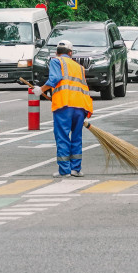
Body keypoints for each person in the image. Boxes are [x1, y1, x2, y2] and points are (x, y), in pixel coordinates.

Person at [33, 40, 93, 178]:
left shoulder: (56, 61)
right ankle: (75, 169)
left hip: (64, 105)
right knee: (76, 137)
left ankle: (65, 170)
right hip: (81, 106)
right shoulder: (79, 67)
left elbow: (55, 78)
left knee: (63, 137)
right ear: (70, 53)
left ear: (57, 52)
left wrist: (40, 90)